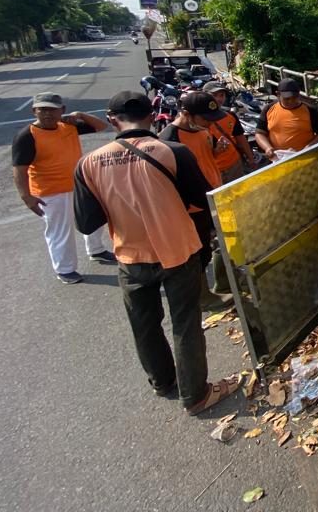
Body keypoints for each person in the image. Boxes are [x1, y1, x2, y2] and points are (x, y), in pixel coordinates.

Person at [73, 91, 240, 415]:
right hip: (178, 251)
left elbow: (86, 222)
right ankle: (195, 396)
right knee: (185, 324)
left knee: (144, 325)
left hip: (131, 258)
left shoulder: (88, 163)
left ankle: (162, 382)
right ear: (152, 116)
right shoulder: (172, 152)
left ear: (112, 120)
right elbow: (201, 200)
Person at [11, 93, 115, 284]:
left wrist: (81, 115)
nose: (47, 114)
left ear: (62, 110)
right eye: (42, 109)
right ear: (34, 111)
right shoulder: (27, 136)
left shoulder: (69, 126)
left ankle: (96, 250)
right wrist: (27, 197)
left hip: (78, 184)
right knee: (60, 231)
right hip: (50, 191)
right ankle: (65, 269)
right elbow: (19, 169)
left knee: (94, 217)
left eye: (52, 109)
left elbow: (102, 126)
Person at [159, 91, 232, 310]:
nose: (209, 123)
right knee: (198, 252)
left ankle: (223, 286)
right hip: (191, 206)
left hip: (213, 194)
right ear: (186, 114)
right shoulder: (168, 139)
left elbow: (206, 157)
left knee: (220, 243)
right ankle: (202, 296)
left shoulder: (202, 130)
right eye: (205, 119)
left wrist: (217, 151)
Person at [255, 78, 318, 161]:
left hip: (305, 158)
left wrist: (308, 148)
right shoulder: (269, 109)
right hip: (277, 160)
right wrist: (268, 148)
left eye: (295, 97)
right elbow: (259, 133)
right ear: (278, 94)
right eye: (287, 99)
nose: (291, 101)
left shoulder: (310, 110)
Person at [203, 82, 256, 183]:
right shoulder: (198, 119)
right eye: (214, 95)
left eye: (221, 95)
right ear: (204, 95)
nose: (219, 99)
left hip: (234, 165)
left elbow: (240, 138)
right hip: (212, 170)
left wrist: (251, 158)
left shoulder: (229, 115)